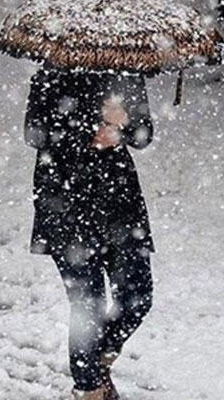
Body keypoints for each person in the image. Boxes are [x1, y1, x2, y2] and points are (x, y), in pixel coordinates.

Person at [24, 63, 155, 400]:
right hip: (65, 204)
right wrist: (91, 126)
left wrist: (123, 127)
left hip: (119, 204)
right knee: (88, 305)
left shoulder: (125, 71)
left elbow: (144, 133)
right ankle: (89, 389)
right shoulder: (51, 73)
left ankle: (98, 359)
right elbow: (35, 134)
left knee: (137, 295)